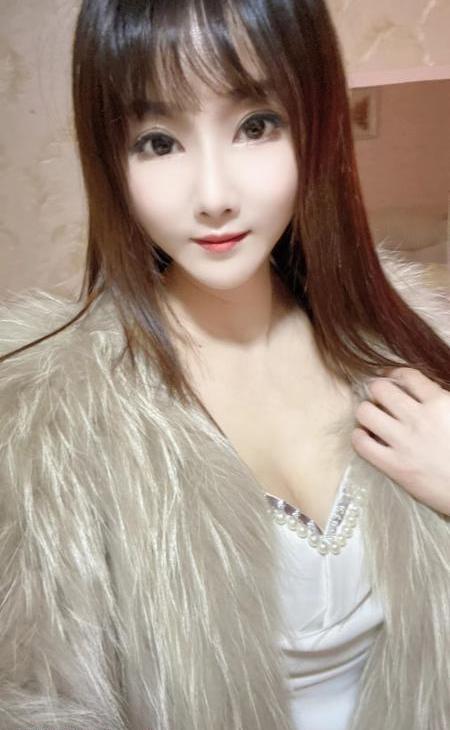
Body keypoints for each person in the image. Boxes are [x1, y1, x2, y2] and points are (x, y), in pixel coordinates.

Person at [0, 1, 449, 729]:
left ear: (317, 123)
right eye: (158, 142)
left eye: (256, 125)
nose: (213, 197)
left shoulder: (409, 348)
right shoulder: (47, 424)